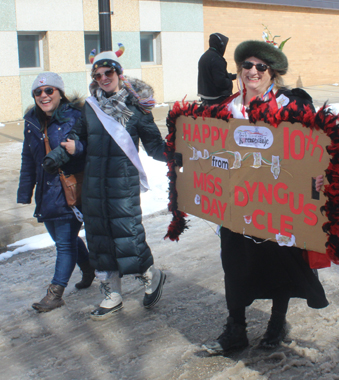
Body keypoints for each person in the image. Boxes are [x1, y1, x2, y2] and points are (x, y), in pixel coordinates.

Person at [203, 40, 329, 354]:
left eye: (261, 66)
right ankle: (236, 329)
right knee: (234, 265)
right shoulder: (225, 107)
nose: (253, 71)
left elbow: (316, 146)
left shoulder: (291, 105)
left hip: (279, 203)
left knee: (277, 263)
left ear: (272, 72)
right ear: (239, 69)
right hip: (235, 204)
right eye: (247, 65)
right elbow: (207, 150)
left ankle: (277, 322)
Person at [43, 46, 167, 321]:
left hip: (123, 182)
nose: (103, 78)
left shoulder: (137, 108)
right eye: (97, 75)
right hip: (94, 183)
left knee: (127, 233)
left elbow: (155, 145)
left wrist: (179, 152)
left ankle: (151, 275)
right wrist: (59, 155)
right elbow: (76, 138)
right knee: (99, 237)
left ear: (119, 73)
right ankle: (112, 293)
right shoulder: (91, 107)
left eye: (107, 72)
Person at [17, 72, 93, 312]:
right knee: (64, 238)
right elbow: (28, 159)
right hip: (46, 193)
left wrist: (77, 148)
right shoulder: (32, 121)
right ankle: (89, 267)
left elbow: (91, 147)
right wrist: (24, 191)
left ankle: (55, 293)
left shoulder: (76, 116)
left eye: (49, 90)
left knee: (64, 243)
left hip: (69, 190)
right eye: (38, 92)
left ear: (60, 93)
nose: (44, 95)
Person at [197, 33, 237, 105]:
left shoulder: (205, 56)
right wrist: (229, 83)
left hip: (206, 97)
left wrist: (235, 76)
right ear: (221, 45)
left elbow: (217, 75)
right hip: (217, 99)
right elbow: (220, 81)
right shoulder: (217, 59)